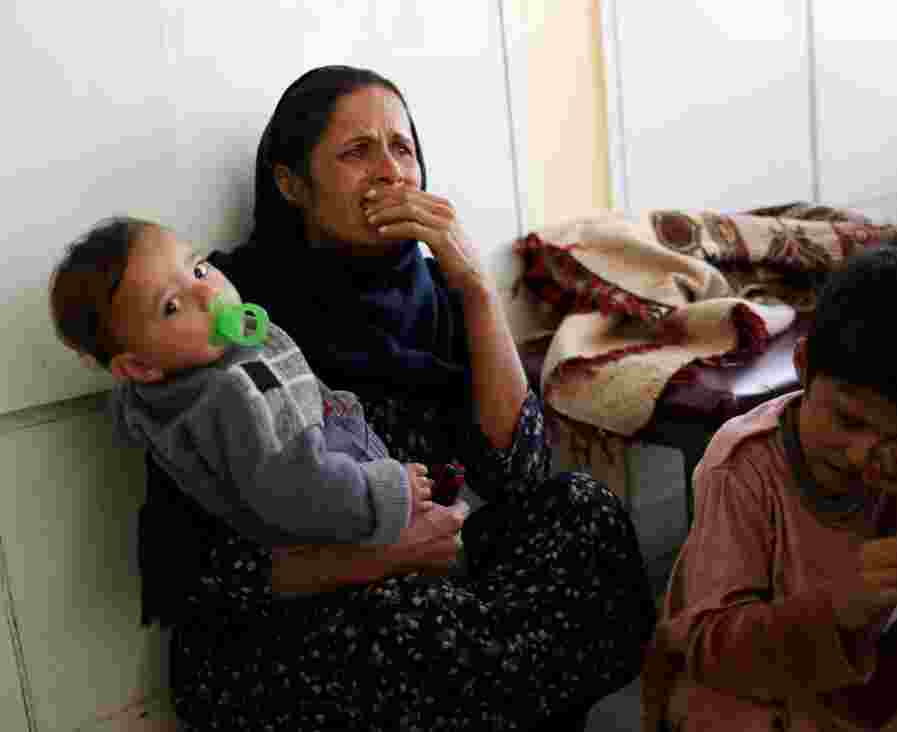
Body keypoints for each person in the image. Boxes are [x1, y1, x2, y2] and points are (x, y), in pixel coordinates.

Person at [134, 65, 656, 731]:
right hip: (292, 615)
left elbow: (521, 473)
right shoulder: (227, 313)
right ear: (291, 184)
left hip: (444, 574)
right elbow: (196, 574)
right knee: (427, 622)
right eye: (357, 152)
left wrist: (474, 286)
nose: (391, 173)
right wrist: (386, 557)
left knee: (586, 516)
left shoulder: (440, 294)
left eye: (402, 149)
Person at [642, 246, 897, 731]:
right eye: (848, 420)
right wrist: (836, 610)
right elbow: (707, 650)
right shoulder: (743, 466)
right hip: (745, 680)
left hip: (860, 674)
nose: (863, 453)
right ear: (804, 365)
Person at [50, 217, 449, 558]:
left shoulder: (196, 368)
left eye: (200, 269)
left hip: (348, 486)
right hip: (351, 514)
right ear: (139, 366)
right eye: (171, 306)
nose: (207, 293)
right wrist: (391, 490)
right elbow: (300, 489)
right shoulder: (231, 395)